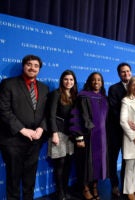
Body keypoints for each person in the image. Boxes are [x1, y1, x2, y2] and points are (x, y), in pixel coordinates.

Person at [0, 55, 49, 200]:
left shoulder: (44, 88)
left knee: (30, 179)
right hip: (13, 140)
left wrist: (41, 129)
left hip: (35, 140)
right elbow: (3, 110)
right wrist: (22, 129)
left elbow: (48, 112)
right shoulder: (8, 84)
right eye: (29, 64)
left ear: (39, 69)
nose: (32, 68)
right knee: (13, 180)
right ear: (23, 66)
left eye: (36, 65)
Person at [69, 72, 108, 200]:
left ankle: (95, 187)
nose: (96, 82)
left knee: (97, 164)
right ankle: (85, 188)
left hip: (101, 138)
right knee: (85, 164)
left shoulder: (103, 98)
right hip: (87, 137)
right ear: (89, 82)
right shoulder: (83, 97)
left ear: (102, 83)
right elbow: (77, 117)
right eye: (93, 80)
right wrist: (79, 137)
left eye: (99, 80)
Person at [47, 70, 78, 200]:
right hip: (58, 133)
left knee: (68, 164)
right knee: (60, 163)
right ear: (62, 80)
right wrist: (54, 133)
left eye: (71, 80)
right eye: (66, 79)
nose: (68, 82)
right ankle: (60, 193)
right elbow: (51, 115)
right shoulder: (56, 94)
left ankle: (65, 190)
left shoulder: (74, 95)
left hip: (71, 134)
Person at [107, 62, 132, 197]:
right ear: (119, 74)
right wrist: (128, 123)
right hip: (116, 131)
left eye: (128, 71)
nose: (126, 74)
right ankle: (114, 185)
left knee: (127, 160)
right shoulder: (113, 89)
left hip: (131, 134)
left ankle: (125, 185)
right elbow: (114, 109)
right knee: (112, 159)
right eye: (123, 72)